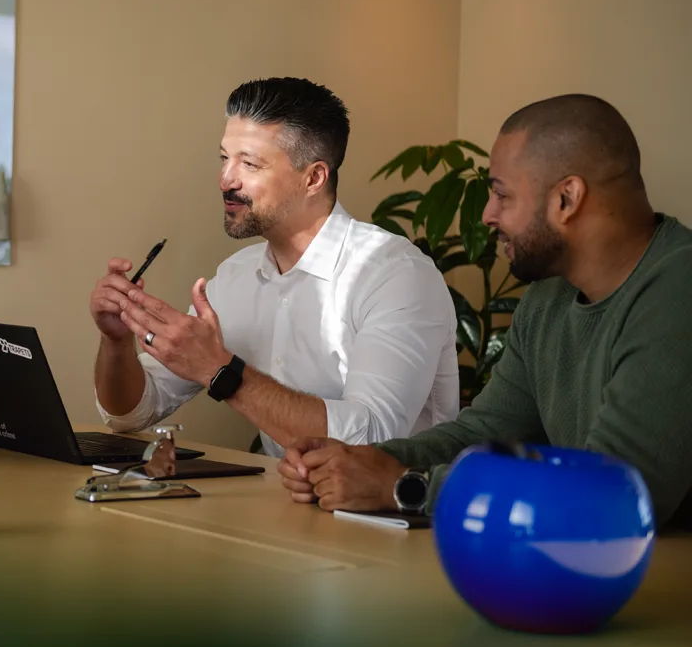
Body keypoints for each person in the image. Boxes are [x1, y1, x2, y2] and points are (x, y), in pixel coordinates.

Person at [278, 94, 692, 529]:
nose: (488, 215)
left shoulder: (677, 293)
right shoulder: (548, 297)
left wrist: (403, 485)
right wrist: (358, 461)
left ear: (567, 199)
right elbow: (484, 436)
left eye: (501, 195)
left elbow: (613, 498)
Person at [91, 78, 458, 456]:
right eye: (224, 159)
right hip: (282, 507)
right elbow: (130, 415)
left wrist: (222, 372)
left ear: (313, 178)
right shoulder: (234, 278)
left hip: (392, 511)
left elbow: (373, 439)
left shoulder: (396, 275)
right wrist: (116, 343)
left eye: (248, 164)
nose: (224, 180)